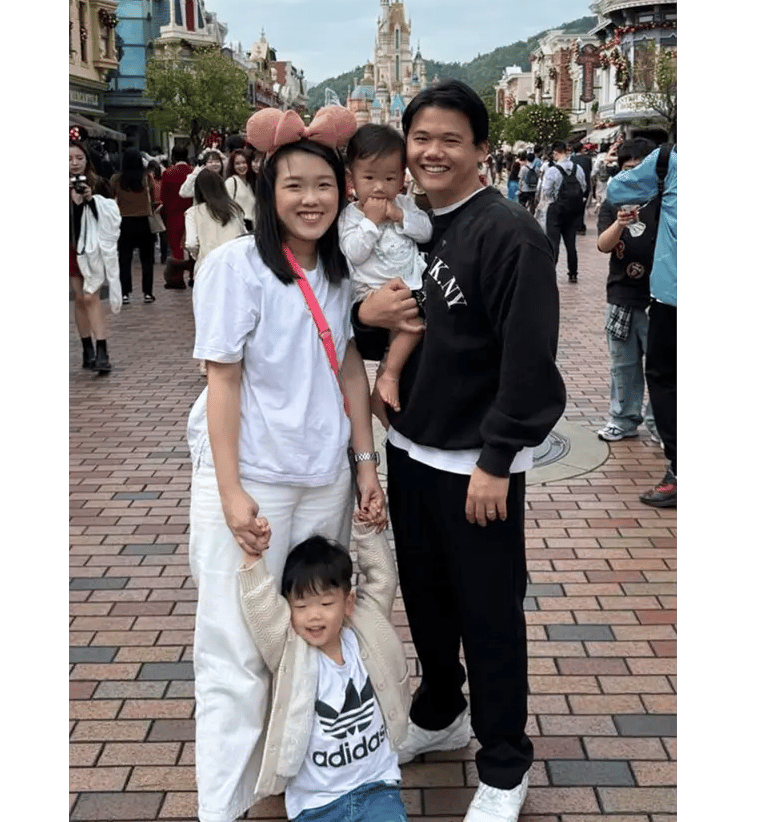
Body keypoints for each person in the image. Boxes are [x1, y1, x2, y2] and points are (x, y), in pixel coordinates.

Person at [351, 80, 566, 822]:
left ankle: (504, 763)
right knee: (430, 604)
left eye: (450, 138)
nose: (432, 151)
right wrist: (364, 315)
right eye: (421, 139)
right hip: (410, 449)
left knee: (490, 615)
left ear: (480, 147)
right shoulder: (414, 228)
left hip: (475, 466)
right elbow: (390, 332)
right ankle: (442, 711)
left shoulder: (510, 235)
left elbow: (531, 364)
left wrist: (498, 460)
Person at [186, 105, 384, 822]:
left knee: (305, 640)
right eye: (293, 184)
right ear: (268, 193)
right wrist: (232, 490)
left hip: (323, 479)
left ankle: (284, 793)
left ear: (342, 192)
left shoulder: (337, 268)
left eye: (324, 185)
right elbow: (223, 379)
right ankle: (224, 807)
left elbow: (350, 369)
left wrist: (365, 465)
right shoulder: (235, 268)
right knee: (234, 652)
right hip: (254, 485)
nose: (311, 198)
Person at [237, 527, 409, 822]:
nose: (313, 616)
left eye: (326, 604)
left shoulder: (365, 629)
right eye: (301, 606)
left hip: (377, 788)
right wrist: (253, 560)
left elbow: (382, 580)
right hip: (316, 802)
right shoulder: (290, 651)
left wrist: (368, 533)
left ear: (348, 603)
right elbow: (262, 611)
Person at [336, 123, 433, 425]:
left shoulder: (405, 204)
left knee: (412, 325)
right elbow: (353, 252)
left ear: (402, 178)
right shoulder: (350, 216)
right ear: (351, 179)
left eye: (389, 178)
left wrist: (400, 216)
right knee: (409, 325)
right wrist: (372, 223)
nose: (379, 187)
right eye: (369, 178)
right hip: (372, 291)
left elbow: (426, 231)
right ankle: (389, 377)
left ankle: (385, 378)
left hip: (410, 283)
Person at [605, 141, 677, 508]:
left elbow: (617, 188)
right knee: (649, 370)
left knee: (663, 375)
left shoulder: (667, 165)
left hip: (670, 296)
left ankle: (675, 459)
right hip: (651, 295)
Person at [593, 138, 659, 443]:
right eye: (625, 169)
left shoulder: (665, 200)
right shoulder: (613, 201)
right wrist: (619, 224)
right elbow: (604, 245)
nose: (631, 175)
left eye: (638, 168)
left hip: (659, 299)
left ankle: (661, 424)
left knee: (662, 367)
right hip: (621, 296)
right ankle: (622, 420)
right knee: (623, 365)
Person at [69, 135, 120, 374]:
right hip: (71, 247)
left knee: (91, 297)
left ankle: (102, 349)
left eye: (79, 158)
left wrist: (90, 201)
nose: (74, 163)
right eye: (69, 159)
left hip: (92, 247)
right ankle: (86, 347)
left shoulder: (98, 183)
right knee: (79, 297)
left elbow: (111, 215)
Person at [110, 149, 159, 305]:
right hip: (144, 222)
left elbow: (111, 197)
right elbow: (153, 198)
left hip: (124, 222)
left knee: (124, 259)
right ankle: (148, 292)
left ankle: (125, 293)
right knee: (147, 260)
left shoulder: (116, 179)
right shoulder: (146, 178)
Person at [185, 167, 249, 284]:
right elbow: (243, 236)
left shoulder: (193, 213)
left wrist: (198, 254)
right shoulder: (234, 210)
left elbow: (191, 243)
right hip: (234, 267)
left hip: (207, 268)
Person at [540, 140, 587, 283]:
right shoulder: (578, 168)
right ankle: (573, 273)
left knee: (553, 242)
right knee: (571, 243)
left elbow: (546, 191)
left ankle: (550, 272)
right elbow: (583, 187)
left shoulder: (552, 170)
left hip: (556, 209)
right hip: (573, 211)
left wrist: (553, 200)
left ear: (555, 152)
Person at [160, 145, 193, 289]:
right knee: (194, 245)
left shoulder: (168, 173)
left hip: (174, 213)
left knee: (176, 247)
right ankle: (194, 276)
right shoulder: (193, 172)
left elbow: (164, 197)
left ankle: (178, 278)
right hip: (192, 212)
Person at [224, 148, 259, 231]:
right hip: (238, 226)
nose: (241, 166)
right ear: (232, 166)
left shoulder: (251, 184)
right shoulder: (231, 182)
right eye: (237, 163)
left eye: (244, 162)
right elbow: (226, 207)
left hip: (252, 227)